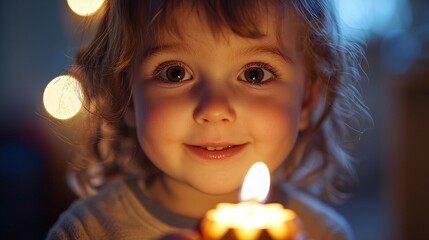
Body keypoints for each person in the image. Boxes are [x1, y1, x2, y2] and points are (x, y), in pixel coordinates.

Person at [47, 0, 371, 239]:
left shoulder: (324, 234)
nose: (214, 109)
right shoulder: (86, 231)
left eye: (255, 74)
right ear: (127, 96)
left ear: (306, 100)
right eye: (175, 73)